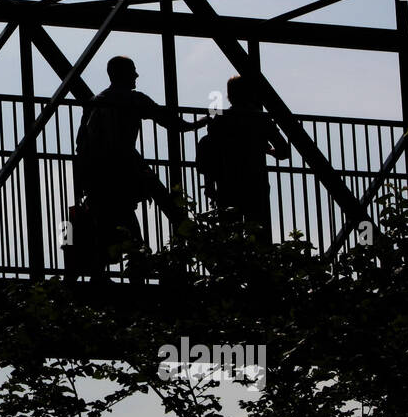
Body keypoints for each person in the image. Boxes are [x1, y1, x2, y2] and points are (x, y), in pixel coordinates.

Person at [71, 56, 207, 275]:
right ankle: (142, 262)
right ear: (123, 74)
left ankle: (109, 269)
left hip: (98, 174)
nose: (136, 75)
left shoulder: (96, 101)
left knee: (108, 221)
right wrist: (195, 124)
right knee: (136, 215)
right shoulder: (134, 100)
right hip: (124, 169)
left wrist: (83, 178)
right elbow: (168, 120)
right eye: (132, 71)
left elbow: (81, 143)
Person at [197, 74, 290, 240]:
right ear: (252, 94)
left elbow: (209, 150)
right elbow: (284, 152)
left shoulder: (221, 119)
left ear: (230, 96)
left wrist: (209, 184)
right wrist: (267, 151)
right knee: (260, 236)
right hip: (256, 184)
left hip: (228, 184)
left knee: (230, 237)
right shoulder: (261, 119)